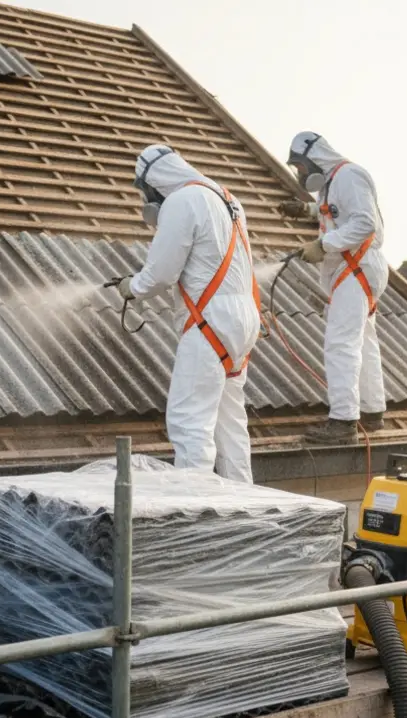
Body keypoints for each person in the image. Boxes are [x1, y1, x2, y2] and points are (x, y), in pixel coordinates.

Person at [109, 144, 262, 483]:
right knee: (230, 422)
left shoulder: (182, 200)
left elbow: (161, 273)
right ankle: (245, 502)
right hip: (243, 318)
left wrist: (130, 287)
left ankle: (194, 509)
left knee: (189, 419)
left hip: (211, 321)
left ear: (154, 182)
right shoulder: (227, 198)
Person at [279, 131, 388, 446]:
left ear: (315, 159)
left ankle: (343, 421)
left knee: (341, 343)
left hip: (356, 266)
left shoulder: (348, 176)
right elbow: (340, 213)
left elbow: (364, 222)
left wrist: (324, 244)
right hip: (357, 267)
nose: (300, 174)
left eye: (300, 167)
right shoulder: (333, 183)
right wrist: (307, 211)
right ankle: (372, 410)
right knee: (363, 342)